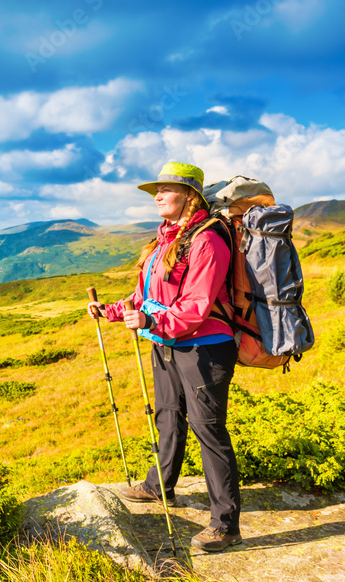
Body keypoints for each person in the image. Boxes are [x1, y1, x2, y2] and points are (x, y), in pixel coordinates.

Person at [87, 162, 242, 552]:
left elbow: (198, 305)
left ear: (190, 196)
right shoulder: (163, 241)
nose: (156, 195)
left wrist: (151, 319)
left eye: (166, 189)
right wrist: (111, 310)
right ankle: (160, 488)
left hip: (205, 348)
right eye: (155, 189)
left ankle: (225, 524)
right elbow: (144, 297)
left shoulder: (207, 240)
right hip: (167, 343)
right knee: (168, 415)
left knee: (210, 431)